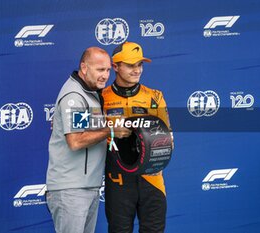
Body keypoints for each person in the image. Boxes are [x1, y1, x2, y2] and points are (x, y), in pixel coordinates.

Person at [46, 47, 131, 233]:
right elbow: (75, 141)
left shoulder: (89, 94)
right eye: (100, 70)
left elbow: (85, 126)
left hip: (85, 187)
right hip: (71, 189)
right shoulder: (75, 96)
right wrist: (111, 130)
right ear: (84, 68)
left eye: (108, 70)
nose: (105, 75)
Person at [102, 41, 173, 233]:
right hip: (118, 179)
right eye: (131, 65)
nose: (137, 70)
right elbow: (81, 129)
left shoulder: (154, 96)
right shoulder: (101, 97)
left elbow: (169, 139)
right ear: (115, 66)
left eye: (140, 64)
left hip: (152, 179)